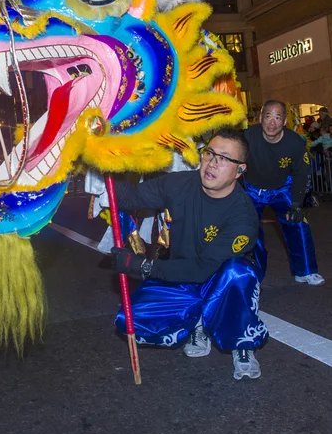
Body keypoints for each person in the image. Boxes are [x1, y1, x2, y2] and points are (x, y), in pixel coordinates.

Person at [111, 129, 267, 380]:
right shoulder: (179, 183)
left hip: (219, 281)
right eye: (210, 153)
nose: (213, 162)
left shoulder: (243, 216)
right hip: (182, 278)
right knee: (129, 320)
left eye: (225, 158)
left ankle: (242, 342)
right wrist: (107, 163)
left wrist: (143, 266)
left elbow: (202, 268)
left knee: (240, 273)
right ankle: (197, 322)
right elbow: (131, 198)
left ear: (240, 171)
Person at [243, 100, 324, 286]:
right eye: (268, 116)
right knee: (249, 231)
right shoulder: (247, 136)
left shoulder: (295, 142)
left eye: (277, 117)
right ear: (260, 118)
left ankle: (305, 271)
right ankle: (254, 272)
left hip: (281, 188)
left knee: (298, 225)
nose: (272, 122)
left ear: (285, 120)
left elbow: (302, 174)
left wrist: (297, 203)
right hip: (252, 189)